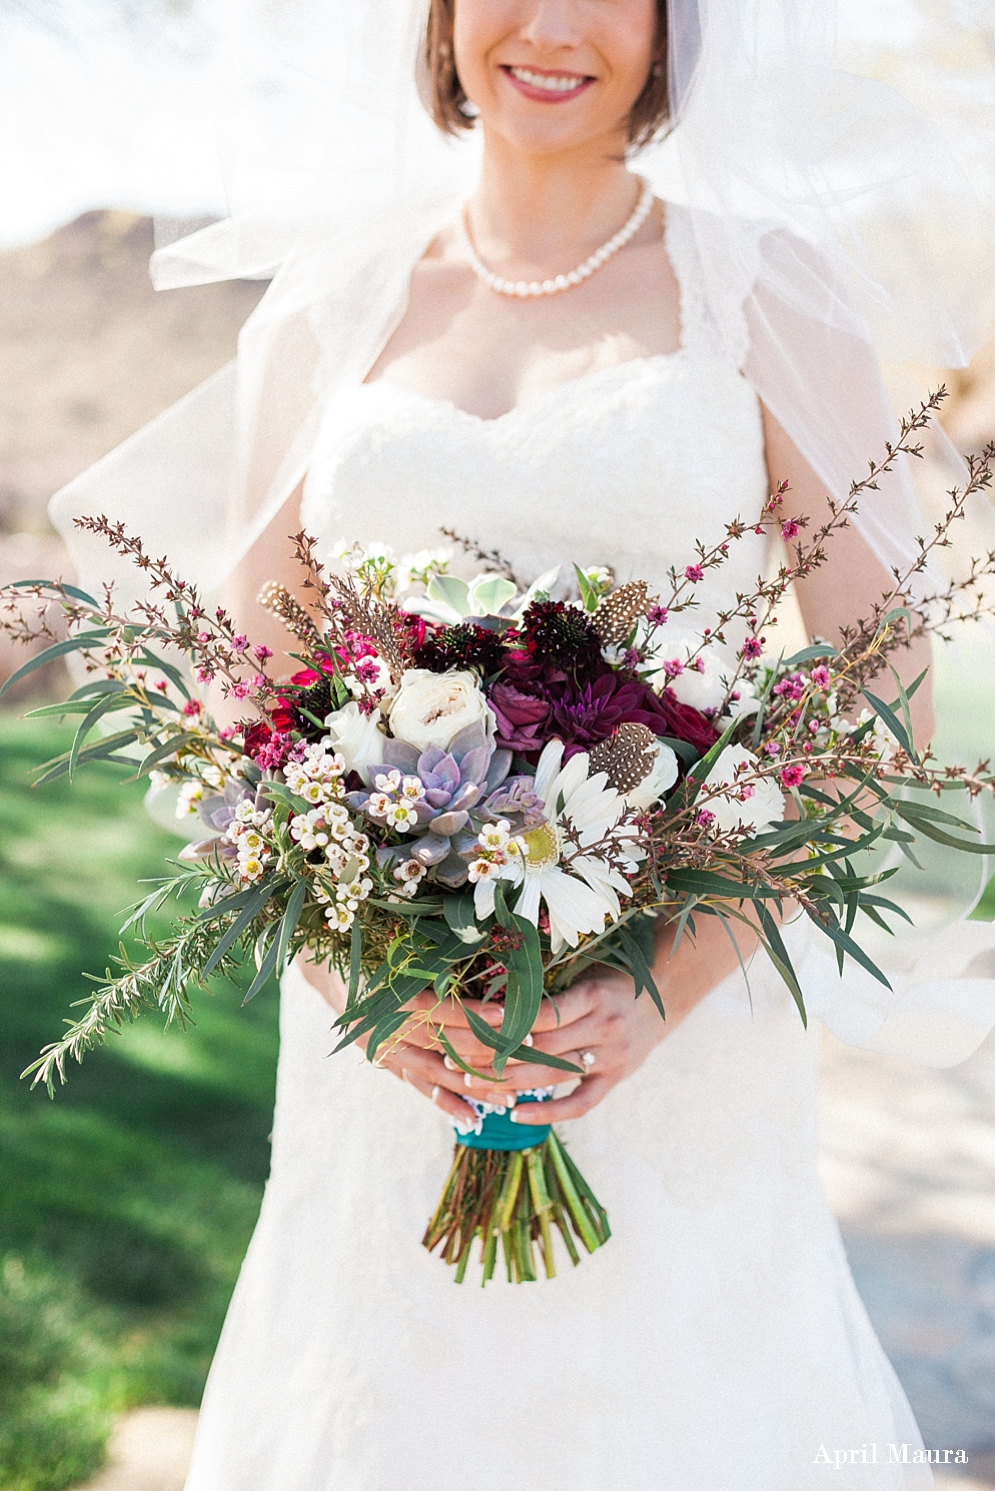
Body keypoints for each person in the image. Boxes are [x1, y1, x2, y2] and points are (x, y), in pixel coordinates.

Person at [49, 1, 995, 1487]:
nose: (552, 27)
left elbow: (881, 696)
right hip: (387, 1059)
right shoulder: (323, 314)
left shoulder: (767, 295)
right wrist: (368, 972)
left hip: (679, 1044)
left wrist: (662, 987)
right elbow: (250, 697)